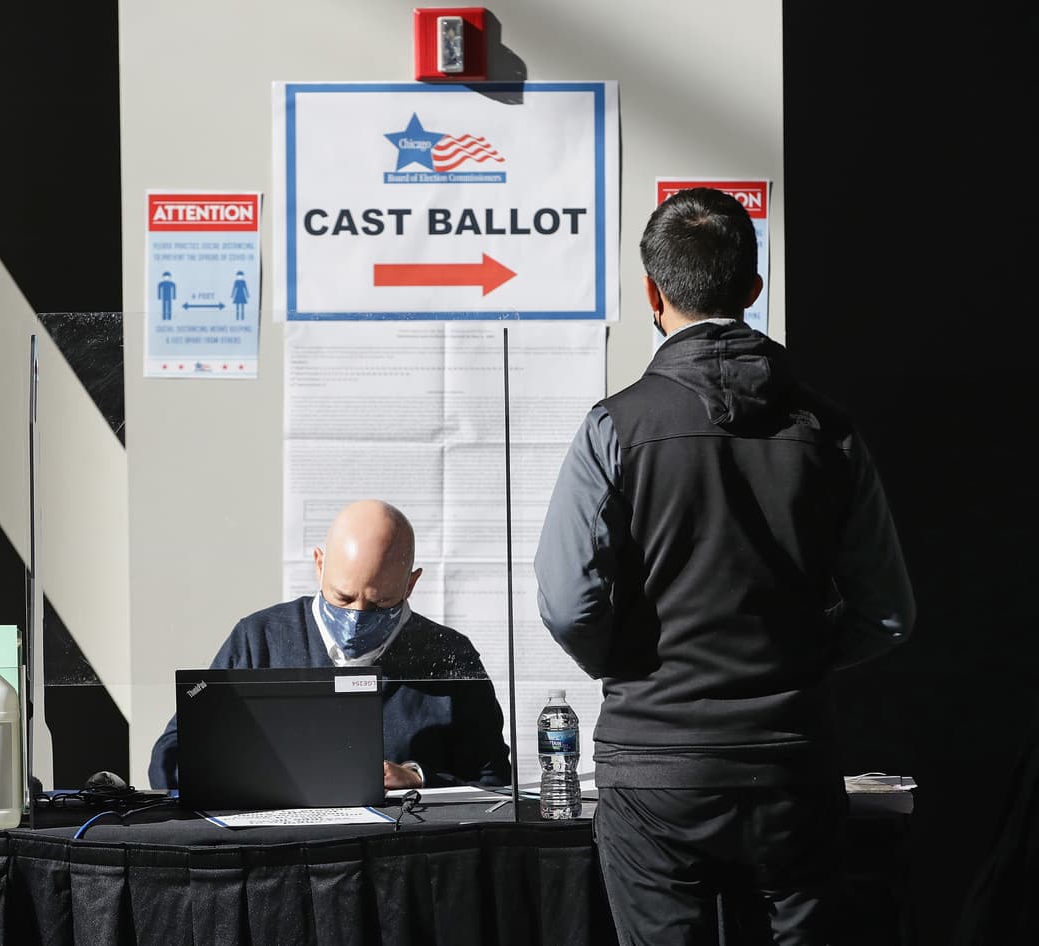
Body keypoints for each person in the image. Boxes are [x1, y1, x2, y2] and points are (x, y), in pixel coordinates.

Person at [534, 187, 915, 945]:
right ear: (753, 289)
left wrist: (633, 666)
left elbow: (570, 603)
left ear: (652, 291)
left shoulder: (615, 427)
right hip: (791, 763)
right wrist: (795, 660)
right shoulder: (830, 434)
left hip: (654, 768)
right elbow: (888, 613)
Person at [149, 499, 512, 791]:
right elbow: (173, 756)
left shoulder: (449, 657)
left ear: (410, 585)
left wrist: (419, 778)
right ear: (319, 564)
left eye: (381, 603)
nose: (357, 617)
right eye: (342, 597)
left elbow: (494, 781)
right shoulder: (259, 639)